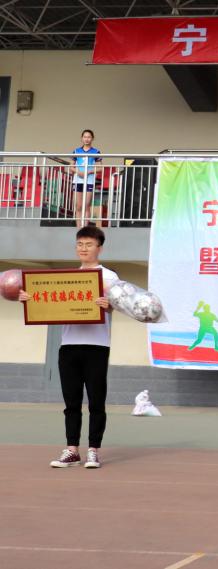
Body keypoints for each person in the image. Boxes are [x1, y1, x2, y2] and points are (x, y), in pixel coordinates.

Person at [19, 226, 117, 469]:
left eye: (89, 244)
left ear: (100, 248)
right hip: (69, 345)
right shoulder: (66, 279)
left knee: (96, 401)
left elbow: (119, 305)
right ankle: (72, 450)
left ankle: (93, 450)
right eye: (80, 244)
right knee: (71, 402)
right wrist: (30, 300)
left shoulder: (109, 277)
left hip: (97, 346)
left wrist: (108, 305)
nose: (84, 248)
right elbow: (47, 304)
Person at [71, 129, 102, 227]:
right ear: (82, 138)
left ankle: (85, 228)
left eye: (89, 137)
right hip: (77, 180)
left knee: (87, 205)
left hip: (89, 180)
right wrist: (78, 172)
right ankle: (79, 228)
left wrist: (89, 172)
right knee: (78, 206)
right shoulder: (76, 151)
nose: (87, 139)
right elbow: (71, 167)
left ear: (92, 138)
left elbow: (100, 168)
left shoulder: (96, 152)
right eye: (85, 137)